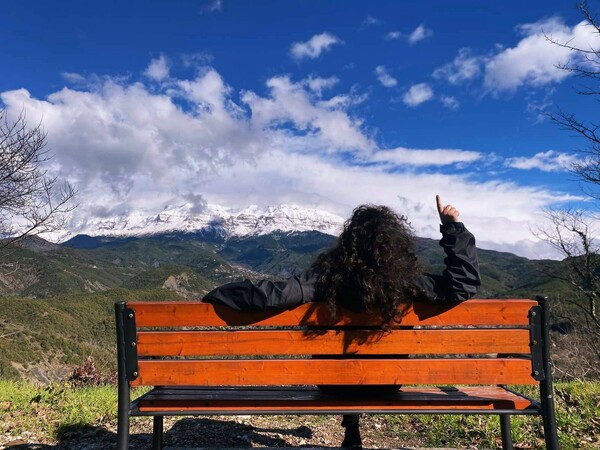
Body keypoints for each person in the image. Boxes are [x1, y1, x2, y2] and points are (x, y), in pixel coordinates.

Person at [203, 195, 480, 448]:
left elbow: (272, 295)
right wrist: (452, 228)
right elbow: (463, 284)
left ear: (348, 243)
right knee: (367, 359)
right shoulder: (406, 282)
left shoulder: (324, 278)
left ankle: (351, 421)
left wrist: (217, 294)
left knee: (346, 362)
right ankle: (352, 422)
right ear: (395, 245)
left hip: (333, 383)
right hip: (386, 382)